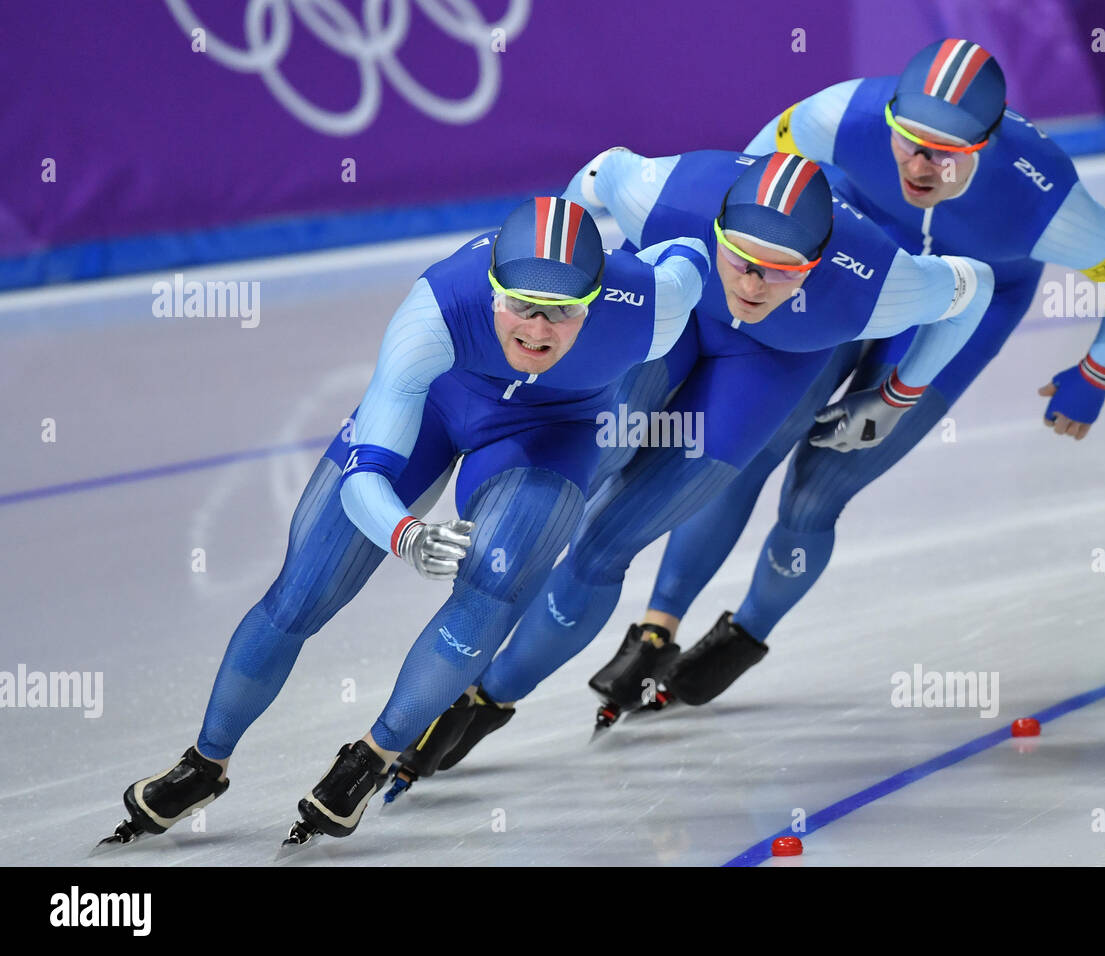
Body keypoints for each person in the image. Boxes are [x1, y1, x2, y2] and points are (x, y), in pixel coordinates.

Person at [98, 197, 710, 846]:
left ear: (596, 299)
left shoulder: (653, 304)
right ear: (491, 292)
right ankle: (205, 760)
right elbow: (367, 478)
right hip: (438, 406)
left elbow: (696, 247)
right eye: (520, 305)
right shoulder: (436, 310)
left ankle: (374, 754)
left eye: (563, 311)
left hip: (552, 434)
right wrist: (405, 535)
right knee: (300, 593)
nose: (537, 329)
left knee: (492, 586)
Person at [388, 147, 997, 784]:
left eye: (781, 272)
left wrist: (899, 396)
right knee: (563, 488)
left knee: (605, 543)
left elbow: (975, 285)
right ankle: (453, 674)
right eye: (741, 261)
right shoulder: (666, 190)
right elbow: (579, 198)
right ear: (715, 232)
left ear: (815, 265)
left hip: (765, 370)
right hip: (666, 314)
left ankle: (487, 701)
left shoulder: (879, 279)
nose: (753, 285)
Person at [621, 37, 1105, 714]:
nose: (919, 164)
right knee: (747, 443)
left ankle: (745, 634)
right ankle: (658, 626)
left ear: (988, 144)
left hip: (964, 310)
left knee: (820, 486)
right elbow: (751, 185)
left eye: (946, 152)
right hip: (842, 283)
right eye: (907, 140)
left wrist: (1097, 372)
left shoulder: (1047, 204)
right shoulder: (843, 114)